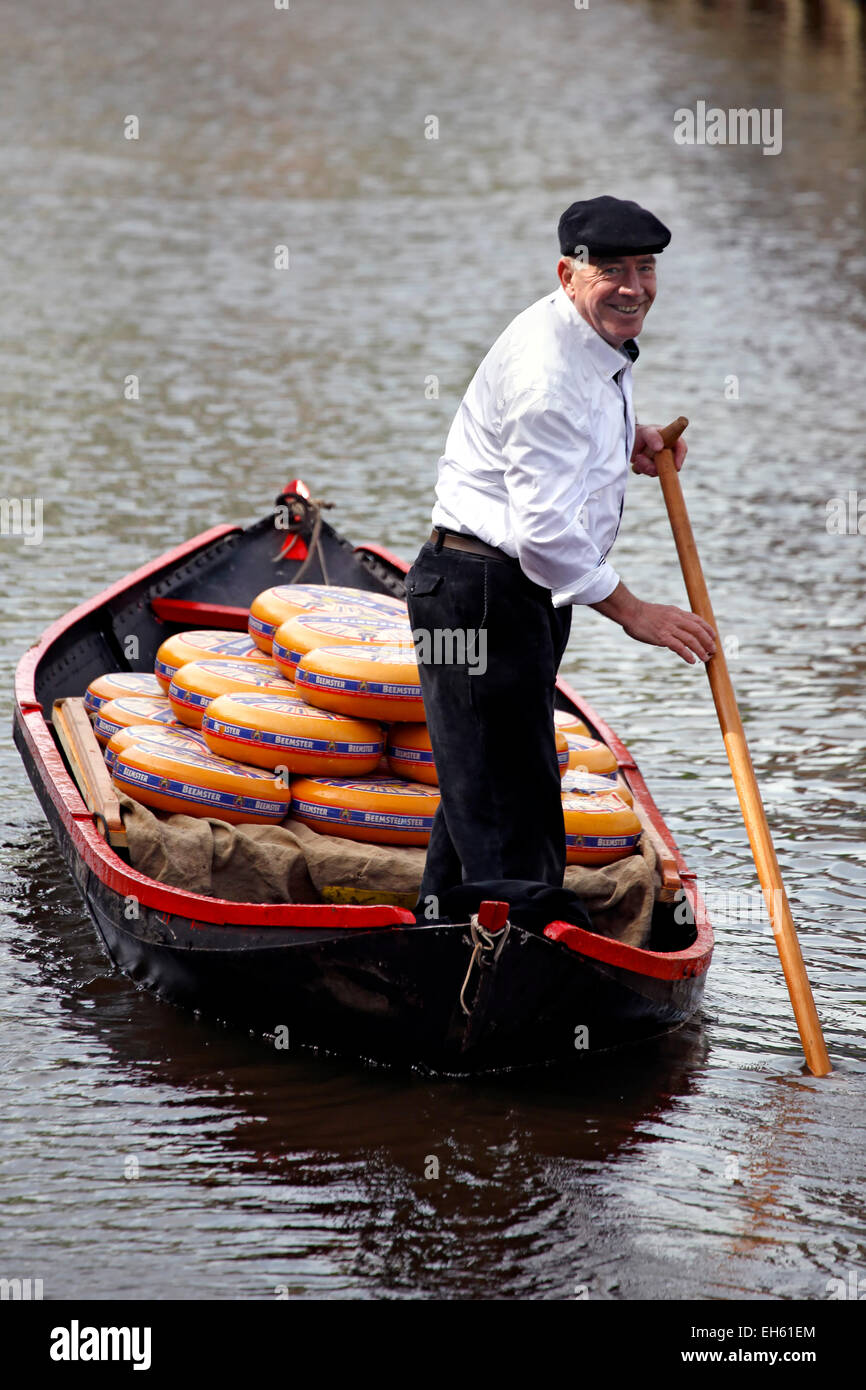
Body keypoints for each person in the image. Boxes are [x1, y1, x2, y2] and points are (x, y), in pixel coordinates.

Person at [405, 195, 716, 916]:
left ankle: (443, 938)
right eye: (612, 270)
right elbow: (544, 532)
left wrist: (625, 438)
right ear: (568, 273)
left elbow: (573, 426)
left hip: (511, 593)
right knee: (512, 813)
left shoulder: (583, 335)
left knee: (481, 788)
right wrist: (634, 611)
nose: (634, 286)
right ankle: (512, 972)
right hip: (481, 594)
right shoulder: (547, 373)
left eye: (645, 267)